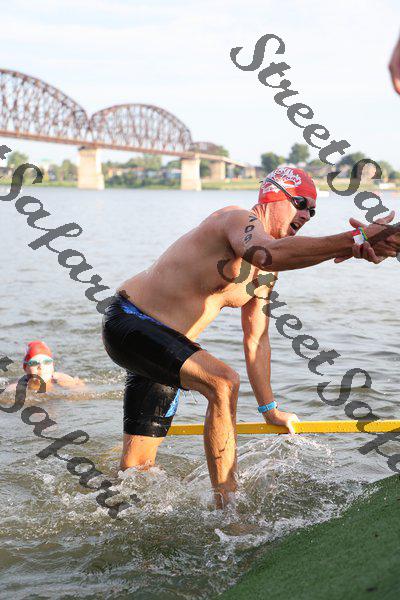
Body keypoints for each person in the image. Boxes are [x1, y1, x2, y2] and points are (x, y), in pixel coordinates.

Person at [102, 166, 400, 508]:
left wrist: (270, 410)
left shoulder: (264, 276)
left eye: (313, 211)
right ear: (273, 195)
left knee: (136, 473)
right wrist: (357, 239)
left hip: (163, 352)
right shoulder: (236, 219)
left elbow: (257, 340)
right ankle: (229, 510)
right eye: (301, 204)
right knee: (223, 383)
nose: (307, 215)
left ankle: (112, 514)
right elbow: (269, 253)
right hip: (130, 321)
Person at [5, 340, 84, 394]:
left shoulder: (61, 380)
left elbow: (81, 389)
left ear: (52, 367)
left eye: (46, 362)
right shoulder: (18, 386)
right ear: (25, 368)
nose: (41, 366)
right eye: (34, 363)